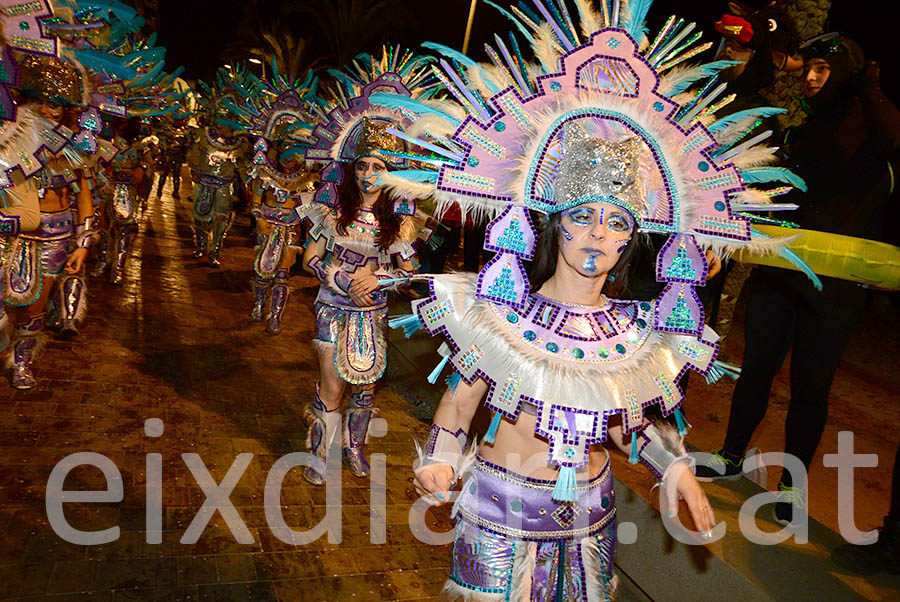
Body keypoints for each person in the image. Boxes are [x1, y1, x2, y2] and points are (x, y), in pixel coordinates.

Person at [376, 2, 812, 596]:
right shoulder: (498, 316)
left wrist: (678, 470)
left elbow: (631, 425)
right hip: (502, 518)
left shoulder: (636, 336)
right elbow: (456, 411)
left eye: (616, 224)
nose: (598, 236)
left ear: (632, 239)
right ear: (555, 224)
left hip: (593, 524)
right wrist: (440, 463)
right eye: (582, 217)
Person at [695, 34, 900, 525]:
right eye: (807, 67)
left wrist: (869, 84)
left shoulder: (873, 135)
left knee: (811, 386)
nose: (809, 77)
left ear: (847, 73)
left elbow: (895, 141)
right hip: (781, 273)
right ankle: (730, 455)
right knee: (756, 368)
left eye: (823, 69)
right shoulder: (800, 132)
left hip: (834, 289)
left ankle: (791, 488)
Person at [249, 144, 317, 334]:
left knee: (282, 275)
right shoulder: (265, 173)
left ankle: (276, 315)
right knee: (263, 271)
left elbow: (309, 208)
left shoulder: (306, 178)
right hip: (268, 228)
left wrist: (302, 219)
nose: (289, 159)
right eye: (286, 152)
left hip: (291, 230)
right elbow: (255, 202)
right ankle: (260, 303)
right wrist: (260, 221)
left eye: (294, 154)